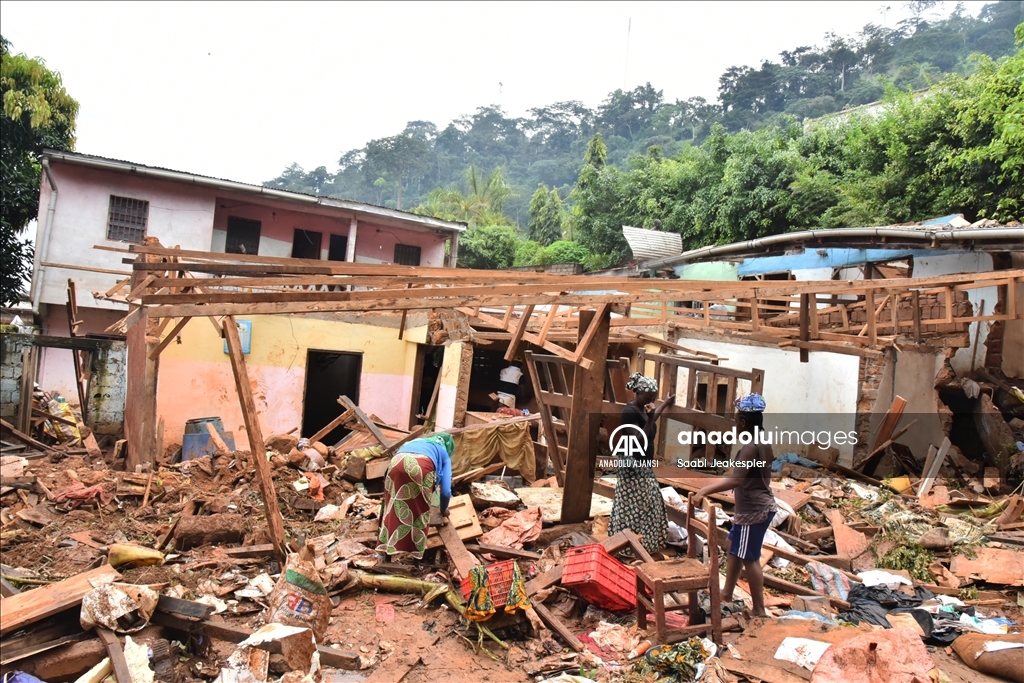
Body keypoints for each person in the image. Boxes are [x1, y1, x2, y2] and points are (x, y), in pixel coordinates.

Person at [693, 393, 775, 617]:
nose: (735, 425)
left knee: (750, 558)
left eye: (736, 421)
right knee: (733, 547)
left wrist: (704, 490)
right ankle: (727, 593)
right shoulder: (762, 442)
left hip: (754, 511)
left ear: (743, 422)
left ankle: (759, 610)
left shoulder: (750, 447)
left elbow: (737, 478)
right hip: (751, 508)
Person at [609, 372, 675, 555]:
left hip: (643, 463)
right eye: (648, 397)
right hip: (633, 465)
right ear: (637, 393)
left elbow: (652, 419)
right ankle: (629, 546)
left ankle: (643, 544)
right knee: (636, 506)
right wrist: (652, 417)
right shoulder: (629, 412)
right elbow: (638, 440)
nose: (651, 400)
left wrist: (665, 403)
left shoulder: (645, 409)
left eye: (654, 397)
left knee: (645, 504)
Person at [376, 433, 454, 560]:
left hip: (396, 462)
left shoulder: (413, 443)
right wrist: (443, 509)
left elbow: (389, 472)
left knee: (392, 508)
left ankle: (386, 554)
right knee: (419, 511)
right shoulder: (443, 453)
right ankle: (416, 560)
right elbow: (445, 491)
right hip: (422, 466)